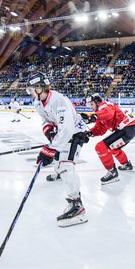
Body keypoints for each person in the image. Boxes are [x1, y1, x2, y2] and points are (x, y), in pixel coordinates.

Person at [28, 73, 89, 227]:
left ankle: (77, 206)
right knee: (59, 161)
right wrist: (49, 131)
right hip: (64, 132)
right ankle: (60, 175)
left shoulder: (59, 100)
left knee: (65, 165)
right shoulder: (38, 102)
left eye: (32, 89)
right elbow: (46, 120)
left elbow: (67, 129)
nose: (30, 93)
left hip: (76, 132)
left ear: (40, 88)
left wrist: (51, 149)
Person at [81, 93, 135, 185]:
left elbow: (108, 113)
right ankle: (126, 164)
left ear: (97, 102)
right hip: (128, 129)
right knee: (114, 149)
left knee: (100, 147)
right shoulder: (100, 112)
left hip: (126, 129)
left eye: (91, 104)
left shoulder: (104, 105)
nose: (90, 107)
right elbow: (100, 129)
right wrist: (89, 133)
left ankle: (112, 172)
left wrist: (93, 117)